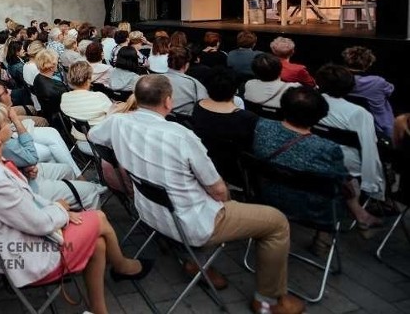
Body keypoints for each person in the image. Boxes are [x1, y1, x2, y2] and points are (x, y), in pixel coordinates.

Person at [89, 76, 304, 314]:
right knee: (276, 222)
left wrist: (128, 152)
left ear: (137, 99)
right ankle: (268, 301)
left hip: (149, 212)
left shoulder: (119, 122)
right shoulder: (181, 136)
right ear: (168, 102)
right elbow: (218, 190)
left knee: (204, 198)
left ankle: (196, 262)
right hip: (191, 221)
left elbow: (94, 137)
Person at [0, 102, 151, 314]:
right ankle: (122, 266)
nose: (11, 125)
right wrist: (61, 209)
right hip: (26, 254)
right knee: (98, 218)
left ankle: (102, 305)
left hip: (19, 236)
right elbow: (38, 222)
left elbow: (23, 202)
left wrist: (55, 206)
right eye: (7, 123)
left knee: (98, 243)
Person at [252, 87, 382, 231]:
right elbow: (341, 183)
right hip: (314, 212)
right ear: (319, 116)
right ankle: (325, 238)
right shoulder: (326, 148)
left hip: (264, 196)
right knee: (348, 185)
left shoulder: (262, 126)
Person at [315, 65, 385, 202]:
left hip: (316, 157)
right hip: (347, 165)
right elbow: (370, 150)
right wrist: (373, 187)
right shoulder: (358, 113)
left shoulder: (310, 101)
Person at [342, 46, 396, 137]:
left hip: (347, 126)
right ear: (369, 63)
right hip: (380, 130)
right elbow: (390, 90)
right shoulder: (378, 82)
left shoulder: (338, 80)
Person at [165, 46, 208, 116]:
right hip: (184, 123)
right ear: (187, 64)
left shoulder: (153, 80)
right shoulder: (194, 84)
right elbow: (204, 104)